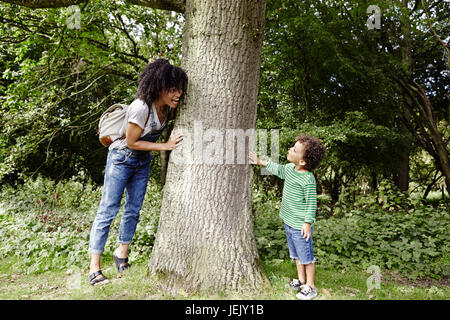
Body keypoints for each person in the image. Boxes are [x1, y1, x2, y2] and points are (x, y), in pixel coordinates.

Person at [88, 59, 187, 286]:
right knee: (108, 210)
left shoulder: (168, 109)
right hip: (121, 159)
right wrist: (165, 146)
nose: (178, 94)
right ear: (159, 87)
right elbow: (132, 142)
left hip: (142, 162)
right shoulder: (141, 107)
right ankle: (94, 268)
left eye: (180, 89)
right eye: (173, 89)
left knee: (133, 209)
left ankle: (121, 253)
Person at [249, 134, 325, 300]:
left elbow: (312, 203)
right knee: (297, 255)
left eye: (294, 150)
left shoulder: (308, 179)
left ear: (303, 161)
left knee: (306, 257)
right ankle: (301, 280)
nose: (290, 150)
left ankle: (311, 286)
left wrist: (307, 223)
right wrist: (260, 162)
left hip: (300, 226)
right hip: (288, 222)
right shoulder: (290, 169)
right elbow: (278, 169)